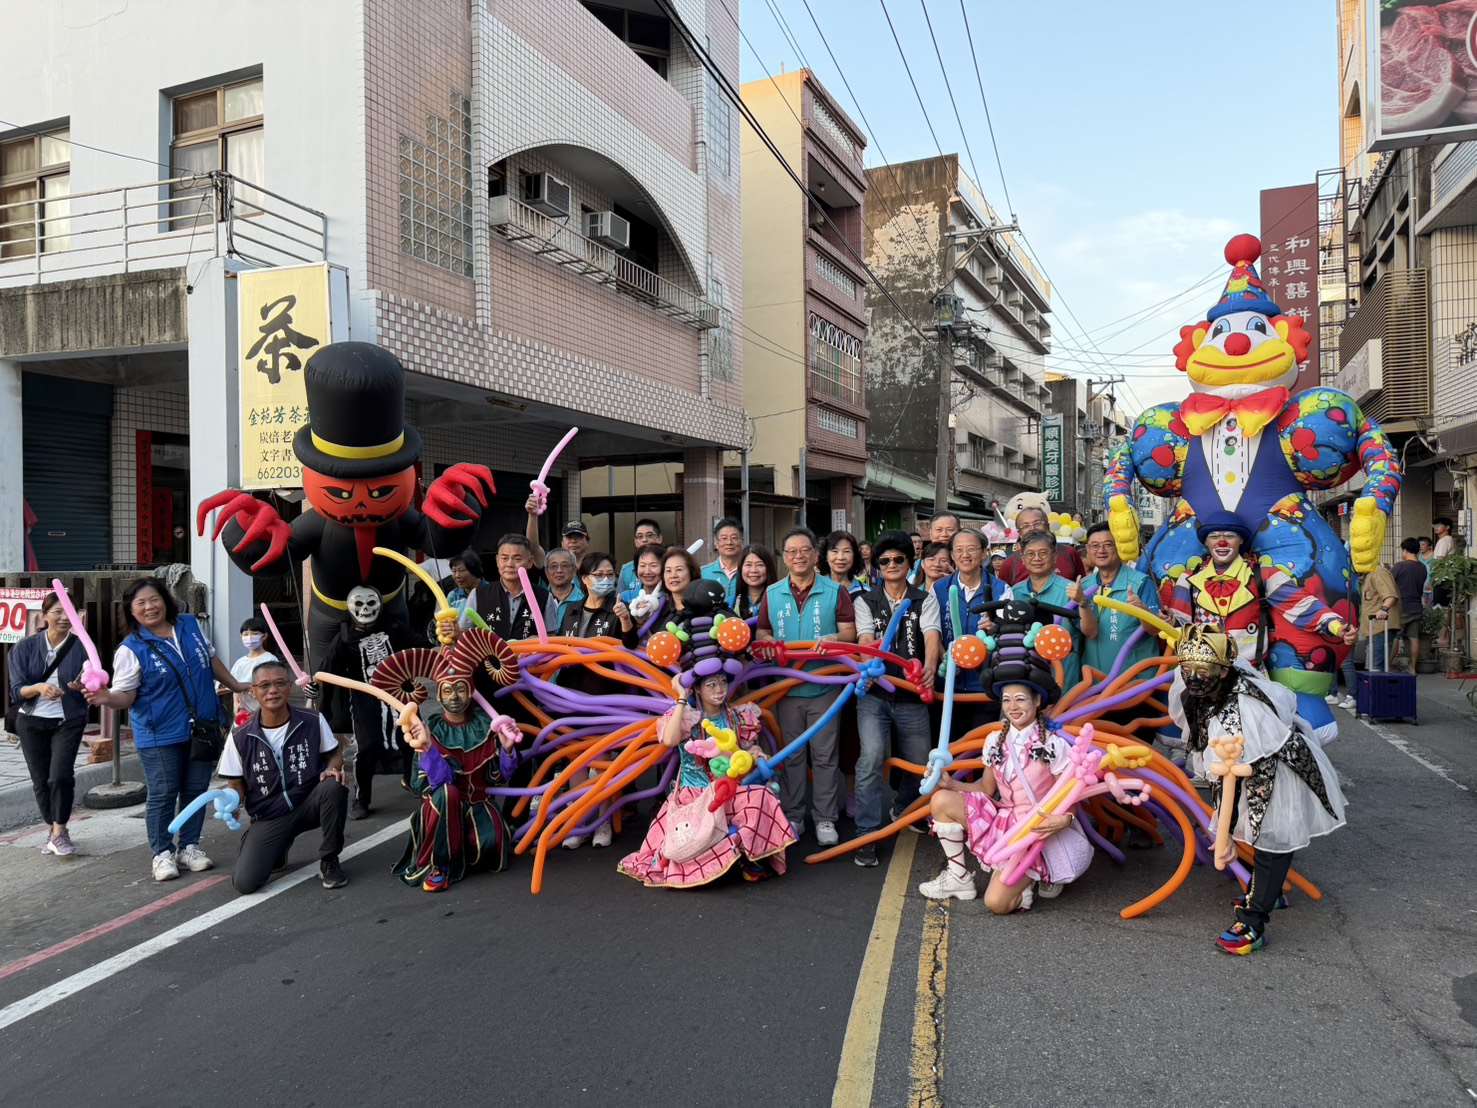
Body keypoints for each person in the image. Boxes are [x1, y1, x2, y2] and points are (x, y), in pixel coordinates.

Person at [1167, 626, 1345, 955]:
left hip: (1275, 768)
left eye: (1202, 671)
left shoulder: (1239, 711)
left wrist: (1223, 833)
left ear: (1221, 670)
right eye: (1187, 669)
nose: (1192, 678)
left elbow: (1232, 778)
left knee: (1272, 836)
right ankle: (1267, 891)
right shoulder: (1212, 688)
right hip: (1251, 767)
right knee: (1262, 834)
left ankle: (1253, 920)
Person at [85, 578, 249, 882]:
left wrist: (235, 685)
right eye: (141, 603)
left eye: (154, 599)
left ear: (166, 599)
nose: (150, 607)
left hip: (202, 726)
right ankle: (161, 852)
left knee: (195, 790)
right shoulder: (131, 649)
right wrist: (107, 698)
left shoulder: (188, 625)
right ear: (131, 611)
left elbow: (209, 659)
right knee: (162, 793)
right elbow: (126, 696)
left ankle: (189, 846)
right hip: (159, 733)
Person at [917, 643, 1093, 913]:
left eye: (1021, 699)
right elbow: (986, 789)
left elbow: (1072, 792)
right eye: (1007, 700)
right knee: (941, 800)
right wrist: (951, 784)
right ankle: (959, 877)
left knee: (996, 903)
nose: (1013, 706)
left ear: (1036, 701)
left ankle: (1032, 880)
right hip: (1005, 820)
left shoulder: (1056, 745)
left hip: (1035, 831)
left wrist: (1064, 819)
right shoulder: (993, 741)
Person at [618, 628, 796, 888]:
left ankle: (746, 856)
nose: (719, 689)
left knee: (762, 796)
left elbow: (745, 749)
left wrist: (754, 754)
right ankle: (721, 860)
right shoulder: (688, 717)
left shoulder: (737, 716)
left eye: (723, 682)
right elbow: (668, 740)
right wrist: (681, 697)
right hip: (696, 794)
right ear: (698, 690)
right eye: (711, 685)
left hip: (730, 789)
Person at [756, 526, 858, 845]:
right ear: (784, 558)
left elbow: (850, 634)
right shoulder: (772, 593)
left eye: (805, 551)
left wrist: (833, 640)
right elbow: (761, 633)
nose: (798, 556)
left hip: (824, 686)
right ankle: (795, 815)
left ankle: (825, 818)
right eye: (791, 552)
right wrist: (768, 641)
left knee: (825, 755)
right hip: (785, 688)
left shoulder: (834, 591)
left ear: (816, 555)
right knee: (793, 755)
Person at [394, 633, 518, 892]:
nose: (454, 696)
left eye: (460, 689)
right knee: (448, 792)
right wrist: (427, 749)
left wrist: (507, 752)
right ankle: (441, 865)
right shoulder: (427, 729)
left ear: (470, 691)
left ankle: (463, 847)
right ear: (438, 696)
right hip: (441, 808)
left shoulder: (487, 724)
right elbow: (428, 785)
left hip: (478, 805)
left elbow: (499, 777)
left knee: (491, 847)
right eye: (448, 690)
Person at [217, 661, 349, 892]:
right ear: (253, 691)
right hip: (269, 816)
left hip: (309, 803)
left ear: (290, 687)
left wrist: (332, 769)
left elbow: (334, 754)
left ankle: (329, 860)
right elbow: (235, 783)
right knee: (245, 883)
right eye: (264, 685)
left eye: (279, 683)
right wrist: (232, 800)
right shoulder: (239, 736)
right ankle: (276, 845)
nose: (272, 691)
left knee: (333, 787)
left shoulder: (312, 720)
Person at [851, 531, 941, 866]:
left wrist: (929, 668)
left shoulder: (923, 599)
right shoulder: (864, 600)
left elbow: (932, 635)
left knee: (921, 763)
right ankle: (867, 834)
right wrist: (868, 664)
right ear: (877, 565)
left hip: (913, 696)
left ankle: (904, 808)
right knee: (871, 757)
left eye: (898, 560)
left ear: (909, 563)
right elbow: (864, 639)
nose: (892, 565)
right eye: (885, 560)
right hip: (874, 696)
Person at [556, 551, 636, 850]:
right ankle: (580, 821)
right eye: (598, 575)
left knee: (602, 761)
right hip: (570, 695)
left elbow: (630, 644)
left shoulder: (617, 609)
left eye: (609, 574)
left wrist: (626, 620)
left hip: (604, 697)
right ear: (585, 579)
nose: (605, 580)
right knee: (576, 761)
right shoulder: (572, 610)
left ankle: (602, 822)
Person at [323, 585, 418, 819]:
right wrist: (314, 687)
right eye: (359, 604)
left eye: (370, 603)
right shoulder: (344, 637)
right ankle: (361, 797)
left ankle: (413, 778)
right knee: (366, 746)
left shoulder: (394, 627)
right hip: (364, 698)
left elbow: (419, 646)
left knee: (412, 739)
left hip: (400, 695)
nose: (365, 609)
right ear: (349, 607)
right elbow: (327, 670)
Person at [8, 592, 86, 858]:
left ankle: (59, 831)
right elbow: (17, 691)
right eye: (57, 612)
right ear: (45, 616)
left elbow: (96, 681)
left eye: (69, 612)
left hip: (68, 720)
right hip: (30, 721)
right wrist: (40, 688)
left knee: (60, 776)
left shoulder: (82, 645)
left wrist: (82, 686)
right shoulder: (24, 647)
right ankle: (54, 828)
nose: (64, 618)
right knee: (41, 781)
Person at [936, 528, 1009, 736]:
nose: (965, 555)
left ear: (984, 553)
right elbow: (932, 633)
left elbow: (1008, 633)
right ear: (951, 555)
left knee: (980, 747)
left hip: (984, 685)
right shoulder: (939, 589)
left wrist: (996, 627)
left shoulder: (1001, 589)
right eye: (959, 550)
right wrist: (945, 658)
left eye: (971, 549)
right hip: (949, 684)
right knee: (950, 746)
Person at [1072, 521, 1160, 679]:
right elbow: (1090, 633)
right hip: (1095, 685)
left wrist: (1141, 610)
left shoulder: (1140, 583)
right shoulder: (1084, 586)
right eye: (1095, 545)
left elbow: (1155, 630)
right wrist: (1082, 602)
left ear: (1118, 546)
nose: (1101, 550)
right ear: (1087, 550)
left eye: (1108, 544)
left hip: (1137, 685)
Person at [1012, 532, 1084, 693]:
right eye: (1030, 554)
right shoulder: (1014, 592)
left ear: (1054, 556)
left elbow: (1088, 630)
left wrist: (1083, 603)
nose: (1037, 558)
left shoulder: (1070, 591)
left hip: (1064, 680)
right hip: (1025, 681)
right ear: (1022, 559)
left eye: (1043, 553)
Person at [467, 534, 558, 641]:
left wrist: (537, 640)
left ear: (530, 562)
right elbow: (464, 633)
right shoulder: (478, 594)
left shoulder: (544, 596)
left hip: (528, 657)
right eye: (504, 558)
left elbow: (552, 637)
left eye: (517, 559)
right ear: (497, 561)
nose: (509, 564)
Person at [1340, 561, 1399, 706]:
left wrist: (1384, 609)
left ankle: (1378, 704)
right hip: (1373, 628)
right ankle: (1375, 703)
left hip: (1380, 627)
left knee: (1376, 666)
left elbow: (1390, 595)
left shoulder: (1378, 572)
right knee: (1373, 666)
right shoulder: (1367, 576)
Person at [996, 505, 1086, 585]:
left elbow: (1082, 588)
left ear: (1047, 525)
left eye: (1037, 523)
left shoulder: (1069, 553)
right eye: (1026, 526)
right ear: (1019, 533)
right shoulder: (1009, 564)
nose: (1032, 528)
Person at [1392, 537, 1427, 673]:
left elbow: (1389, 582)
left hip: (1401, 607)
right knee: (1414, 637)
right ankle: (1413, 668)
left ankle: (1388, 664)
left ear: (1405, 550)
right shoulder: (1422, 567)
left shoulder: (1400, 566)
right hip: (1416, 606)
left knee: (1395, 636)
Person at [229, 616, 277, 718]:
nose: (249, 638)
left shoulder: (270, 660)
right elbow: (234, 687)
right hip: (243, 715)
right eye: (245, 634)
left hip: (264, 713)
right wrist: (236, 706)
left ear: (264, 636)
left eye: (255, 634)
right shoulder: (240, 663)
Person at [700, 517, 745, 606]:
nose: (729, 542)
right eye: (724, 538)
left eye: (734, 538)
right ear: (716, 543)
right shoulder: (702, 572)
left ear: (742, 542)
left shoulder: (749, 572)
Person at [619, 518, 665, 593]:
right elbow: (619, 598)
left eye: (649, 535)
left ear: (659, 538)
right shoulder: (626, 570)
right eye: (640, 536)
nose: (644, 540)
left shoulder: (669, 564)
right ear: (635, 541)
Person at [543, 548, 585, 630]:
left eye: (565, 565)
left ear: (574, 570)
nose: (559, 570)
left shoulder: (584, 600)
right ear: (546, 572)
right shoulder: (539, 599)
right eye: (553, 566)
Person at [735, 543, 778, 620]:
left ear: (768, 568)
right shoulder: (733, 602)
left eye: (760, 565)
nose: (754, 570)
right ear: (740, 568)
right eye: (748, 565)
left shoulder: (778, 600)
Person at [820, 530, 869, 596]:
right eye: (835, 551)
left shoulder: (865, 591)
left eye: (846, 551)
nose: (840, 557)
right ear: (826, 555)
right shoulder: (816, 589)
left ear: (854, 556)